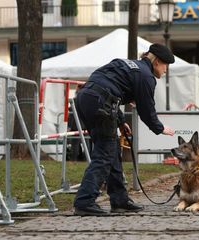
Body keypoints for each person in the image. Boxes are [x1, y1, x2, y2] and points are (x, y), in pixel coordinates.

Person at [73, 43, 175, 216]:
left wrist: (120, 120)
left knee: (111, 151)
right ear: (157, 61)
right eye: (166, 65)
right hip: (100, 103)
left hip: (86, 98)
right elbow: (146, 109)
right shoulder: (145, 76)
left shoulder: (127, 65)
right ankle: (84, 201)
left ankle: (119, 200)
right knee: (105, 153)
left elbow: (107, 87)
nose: (166, 70)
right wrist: (160, 128)